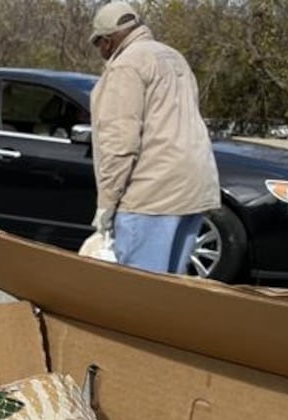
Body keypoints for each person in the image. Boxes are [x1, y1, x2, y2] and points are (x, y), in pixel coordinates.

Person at [87, 1, 220, 275]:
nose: (100, 51)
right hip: (193, 189)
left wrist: (106, 206)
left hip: (151, 195)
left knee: (139, 293)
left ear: (109, 40)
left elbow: (120, 144)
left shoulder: (126, 66)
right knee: (170, 288)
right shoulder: (174, 58)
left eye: (98, 43)